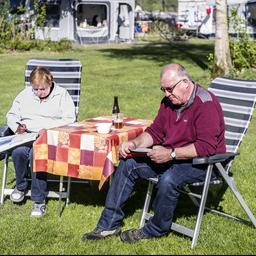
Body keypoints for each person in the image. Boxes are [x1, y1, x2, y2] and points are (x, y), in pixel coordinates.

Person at [81, 63, 226, 243]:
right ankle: (108, 225)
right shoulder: (169, 102)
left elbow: (206, 147)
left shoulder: (206, 104)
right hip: (173, 156)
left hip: (203, 162)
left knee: (169, 178)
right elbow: (155, 132)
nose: (166, 94)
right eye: (163, 89)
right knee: (128, 164)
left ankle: (155, 229)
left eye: (169, 89)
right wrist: (135, 143)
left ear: (185, 83)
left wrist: (171, 154)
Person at [6, 67, 76, 217]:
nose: (39, 92)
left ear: (50, 83)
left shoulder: (62, 94)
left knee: (37, 155)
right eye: (35, 89)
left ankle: (39, 200)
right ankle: (22, 186)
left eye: (42, 89)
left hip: (50, 135)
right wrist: (16, 126)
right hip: (27, 134)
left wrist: (48, 129)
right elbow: (11, 115)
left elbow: (70, 119)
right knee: (18, 152)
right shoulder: (25, 94)